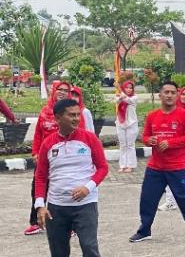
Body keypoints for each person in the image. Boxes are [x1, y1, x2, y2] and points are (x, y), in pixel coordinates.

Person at [129, 81, 185, 246]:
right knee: (147, 199)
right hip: (155, 167)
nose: (169, 95)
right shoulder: (152, 116)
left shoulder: (183, 115)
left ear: (176, 95)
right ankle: (144, 231)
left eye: (173, 92)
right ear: (160, 95)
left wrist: (170, 143)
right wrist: (150, 140)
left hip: (177, 167)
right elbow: (145, 136)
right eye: (166, 92)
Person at [34, 98, 109, 257]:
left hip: (86, 205)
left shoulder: (90, 139)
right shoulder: (48, 144)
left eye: (78, 114)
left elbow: (103, 168)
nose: (76, 118)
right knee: (58, 251)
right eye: (71, 115)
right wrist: (40, 205)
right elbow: (40, 176)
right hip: (56, 207)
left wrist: (87, 188)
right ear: (58, 118)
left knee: (89, 248)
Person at [25, 81, 75, 236]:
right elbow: (38, 134)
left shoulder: (72, 112)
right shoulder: (45, 111)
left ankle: (71, 226)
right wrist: (35, 153)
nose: (62, 92)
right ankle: (36, 223)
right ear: (54, 91)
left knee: (65, 191)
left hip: (63, 159)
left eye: (66, 90)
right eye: (60, 89)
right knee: (37, 191)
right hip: (43, 159)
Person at [116, 80, 139, 173]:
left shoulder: (135, 98)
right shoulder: (119, 96)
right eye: (127, 87)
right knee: (123, 145)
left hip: (132, 124)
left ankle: (130, 165)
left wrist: (119, 88)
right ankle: (123, 165)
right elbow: (117, 100)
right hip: (120, 123)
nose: (129, 89)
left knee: (130, 145)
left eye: (131, 88)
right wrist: (120, 93)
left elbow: (127, 100)